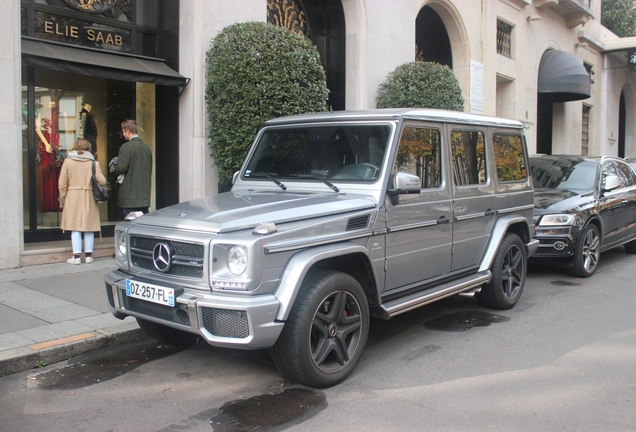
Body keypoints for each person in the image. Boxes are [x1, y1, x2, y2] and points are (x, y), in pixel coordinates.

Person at [58, 138, 107, 265]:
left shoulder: (68, 162)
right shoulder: (93, 163)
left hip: (72, 195)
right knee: (88, 226)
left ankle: (76, 256)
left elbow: (62, 182)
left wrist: (63, 197)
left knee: (75, 227)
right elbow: (102, 181)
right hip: (88, 195)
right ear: (88, 148)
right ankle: (89, 256)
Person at [111, 119, 152, 217]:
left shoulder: (126, 147)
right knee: (142, 224)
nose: (123, 134)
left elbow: (121, 168)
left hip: (130, 196)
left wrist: (113, 166)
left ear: (128, 131)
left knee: (130, 225)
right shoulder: (146, 148)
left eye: (123, 132)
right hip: (144, 196)